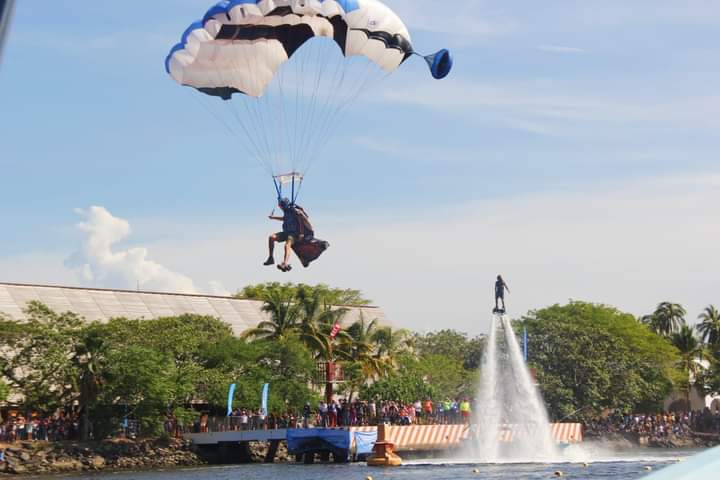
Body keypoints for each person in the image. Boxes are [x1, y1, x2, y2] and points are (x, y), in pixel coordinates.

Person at [264, 197, 306, 272]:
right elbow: (284, 218)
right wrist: (273, 217)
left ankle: (285, 263)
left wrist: (301, 233)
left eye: (281, 206)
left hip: (293, 234)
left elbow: (301, 222)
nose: (281, 208)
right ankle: (271, 258)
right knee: (271, 237)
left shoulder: (294, 211)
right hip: (285, 233)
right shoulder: (286, 211)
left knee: (287, 245)